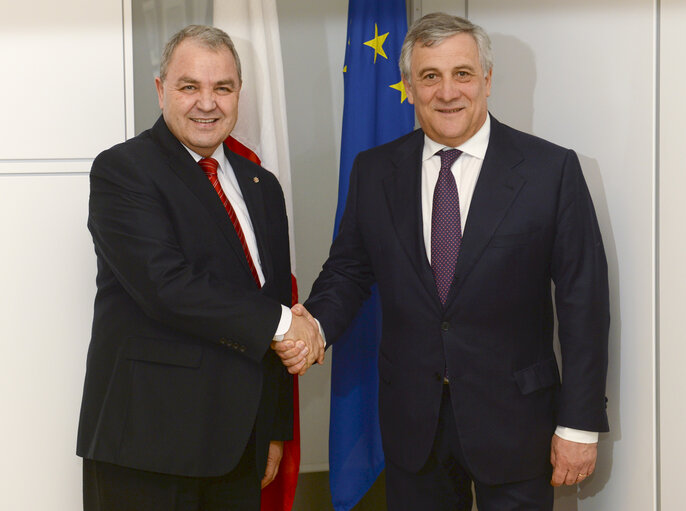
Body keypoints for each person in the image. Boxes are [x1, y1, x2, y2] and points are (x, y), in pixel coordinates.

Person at [274, 12, 609, 511]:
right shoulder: (374, 171)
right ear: (409, 86)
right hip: (414, 425)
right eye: (430, 76)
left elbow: (584, 303)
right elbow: (349, 269)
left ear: (488, 81)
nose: (447, 92)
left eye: (463, 74)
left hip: (518, 424)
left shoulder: (550, 170)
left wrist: (578, 423)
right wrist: (315, 326)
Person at [76, 25, 323, 511]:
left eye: (222, 88)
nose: (207, 103)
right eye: (190, 86)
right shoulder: (124, 170)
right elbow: (167, 286)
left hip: (238, 446)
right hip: (148, 446)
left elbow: (270, 295)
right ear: (161, 89)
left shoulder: (262, 185)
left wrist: (274, 430)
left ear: (238, 94)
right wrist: (285, 325)